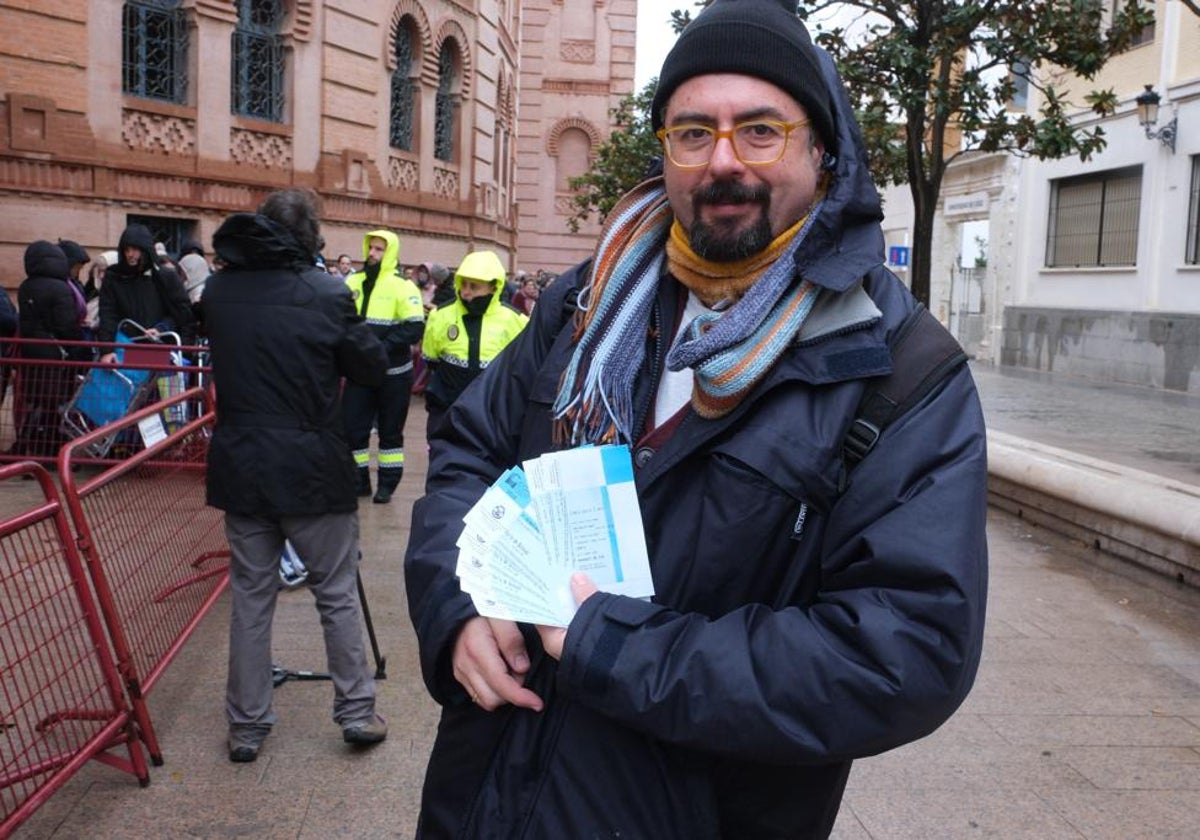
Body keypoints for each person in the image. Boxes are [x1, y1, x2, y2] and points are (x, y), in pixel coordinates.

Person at [402, 1, 989, 836]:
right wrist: (456, 606)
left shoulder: (899, 370)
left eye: (760, 131)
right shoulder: (582, 304)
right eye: (692, 132)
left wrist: (614, 647)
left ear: (822, 150)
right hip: (488, 794)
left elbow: (904, 649)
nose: (723, 163)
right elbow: (468, 451)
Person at [203, 187, 390, 763]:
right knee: (334, 593)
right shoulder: (328, 294)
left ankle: (247, 725)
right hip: (311, 466)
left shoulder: (218, 292)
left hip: (244, 465)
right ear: (309, 238)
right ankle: (356, 710)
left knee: (252, 599)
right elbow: (370, 368)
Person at [341, 229, 426, 504]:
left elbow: (414, 326)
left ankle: (387, 485)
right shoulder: (352, 281)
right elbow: (339, 319)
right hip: (359, 374)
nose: (373, 254)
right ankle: (358, 481)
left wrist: (380, 348)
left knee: (390, 433)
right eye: (371, 248)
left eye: (379, 249)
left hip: (394, 374)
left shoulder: (403, 286)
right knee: (354, 431)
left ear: (390, 252)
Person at [419, 250, 527, 439]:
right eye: (463, 284)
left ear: (494, 287)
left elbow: (522, 366)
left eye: (474, 286)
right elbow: (430, 358)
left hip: (493, 414)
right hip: (447, 408)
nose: (466, 292)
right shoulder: (440, 315)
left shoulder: (516, 321)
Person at [13, 241, 85, 457]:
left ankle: (28, 447)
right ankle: (43, 449)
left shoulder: (26, 286)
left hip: (31, 352)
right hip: (55, 355)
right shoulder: (61, 288)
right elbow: (66, 326)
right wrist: (78, 348)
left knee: (37, 400)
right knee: (53, 402)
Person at [97, 223, 195, 362]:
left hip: (162, 350)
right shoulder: (114, 276)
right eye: (127, 250)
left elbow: (182, 315)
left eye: (135, 249)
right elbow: (107, 314)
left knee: (159, 383)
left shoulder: (165, 277)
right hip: (125, 347)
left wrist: (160, 329)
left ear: (146, 250)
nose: (130, 254)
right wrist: (107, 350)